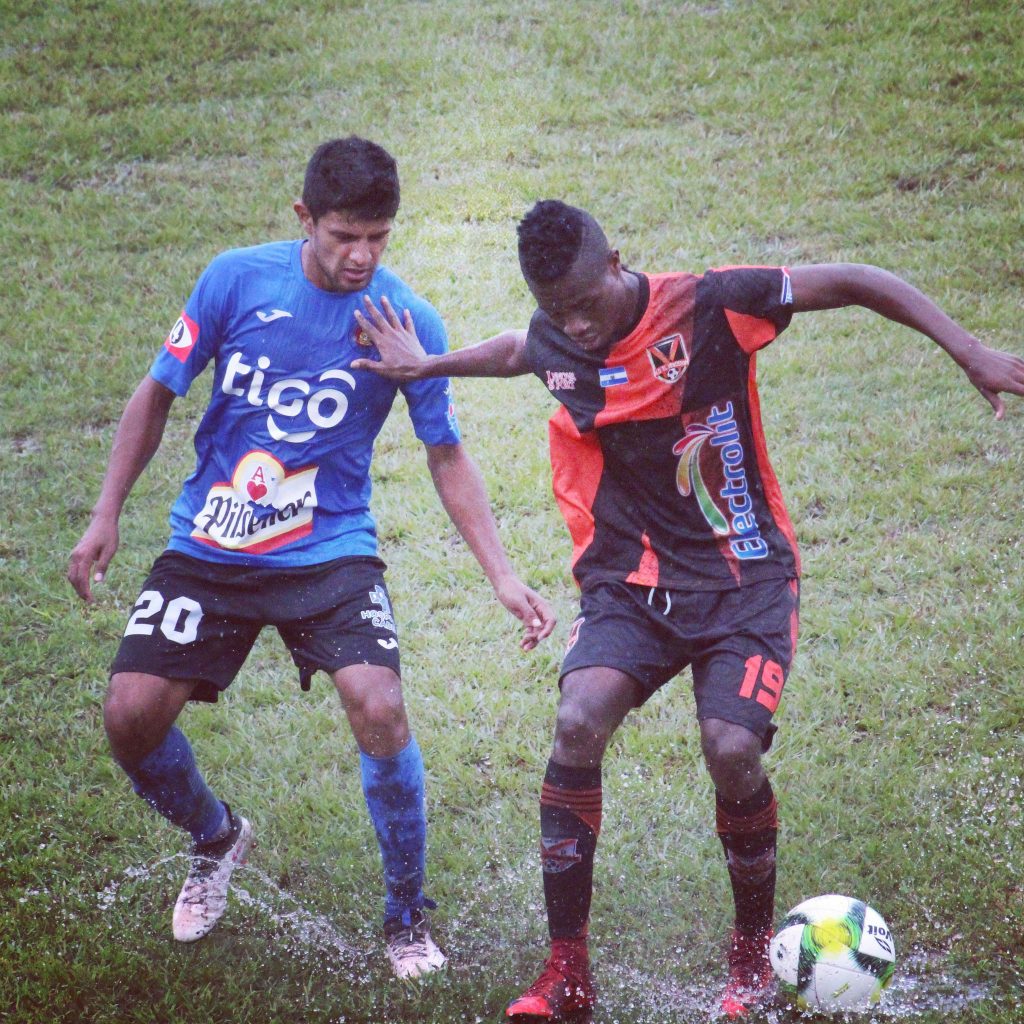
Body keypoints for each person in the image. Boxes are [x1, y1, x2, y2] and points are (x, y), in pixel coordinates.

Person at [350, 198, 1024, 1019]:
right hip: (634, 584)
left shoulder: (713, 303)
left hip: (747, 580)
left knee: (730, 748)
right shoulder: (559, 331)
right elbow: (521, 349)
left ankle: (749, 960)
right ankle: (566, 975)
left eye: (585, 305)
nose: (577, 327)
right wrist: (428, 364)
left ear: (617, 263)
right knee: (576, 721)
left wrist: (969, 349)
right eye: (557, 310)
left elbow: (855, 279)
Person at [67, 137, 555, 981]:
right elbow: (157, 393)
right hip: (211, 544)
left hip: (330, 551)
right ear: (305, 218)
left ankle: (406, 918)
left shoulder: (405, 323)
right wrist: (106, 511)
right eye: (343, 236)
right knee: (129, 717)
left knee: (380, 704)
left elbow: (445, 453)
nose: (361, 255)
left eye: (378, 236)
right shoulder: (235, 280)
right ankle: (217, 837)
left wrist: (503, 576)